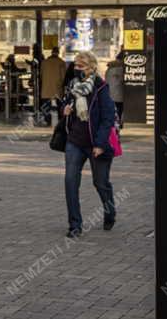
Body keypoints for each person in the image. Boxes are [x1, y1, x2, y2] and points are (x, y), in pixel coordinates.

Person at [60, 51, 117, 237]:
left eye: (81, 66)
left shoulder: (101, 87)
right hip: (75, 141)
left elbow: (108, 118)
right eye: (75, 65)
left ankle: (110, 213)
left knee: (100, 183)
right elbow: (65, 103)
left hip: (95, 143)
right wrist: (65, 109)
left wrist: (100, 144)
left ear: (91, 67)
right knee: (70, 181)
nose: (77, 69)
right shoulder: (72, 85)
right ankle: (75, 225)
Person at [39, 47, 65, 127]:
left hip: (46, 88)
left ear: (52, 52)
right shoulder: (61, 62)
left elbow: (41, 75)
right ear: (58, 52)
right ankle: (60, 120)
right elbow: (63, 76)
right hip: (57, 87)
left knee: (46, 106)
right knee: (59, 104)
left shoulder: (44, 62)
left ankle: (48, 121)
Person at [105, 51, 125, 128]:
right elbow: (122, 80)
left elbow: (106, 80)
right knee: (119, 109)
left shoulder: (109, 68)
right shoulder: (121, 69)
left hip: (110, 93)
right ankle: (118, 123)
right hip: (119, 93)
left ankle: (114, 123)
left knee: (114, 110)